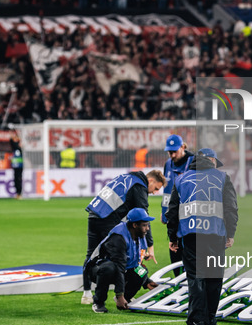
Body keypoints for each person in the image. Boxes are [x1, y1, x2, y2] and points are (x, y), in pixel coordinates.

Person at [166, 148, 238, 325]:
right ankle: (210, 320)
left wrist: (172, 237)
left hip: (190, 235)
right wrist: (230, 234)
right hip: (216, 234)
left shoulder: (181, 179)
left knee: (196, 277)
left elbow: (172, 211)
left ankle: (197, 322)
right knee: (214, 277)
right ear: (212, 160)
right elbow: (230, 209)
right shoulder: (223, 178)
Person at [80, 169, 166, 304]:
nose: (154, 192)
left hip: (94, 215)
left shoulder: (125, 177)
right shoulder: (139, 185)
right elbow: (143, 216)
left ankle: (86, 294)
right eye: (156, 188)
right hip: (108, 219)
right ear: (150, 181)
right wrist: (150, 246)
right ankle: (120, 295)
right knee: (119, 259)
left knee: (91, 255)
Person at [85, 208, 155, 313]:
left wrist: (147, 281)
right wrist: (119, 294)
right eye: (144, 225)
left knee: (142, 271)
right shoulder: (118, 237)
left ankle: (126, 298)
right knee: (109, 268)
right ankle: (98, 302)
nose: (147, 229)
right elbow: (119, 267)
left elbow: (136, 262)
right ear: (135, 225)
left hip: (120, 267)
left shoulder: (139, 235)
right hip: (97, 268)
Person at [162, 134, 194, 276]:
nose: (172, 155)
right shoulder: (168, 164)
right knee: (174, 252)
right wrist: (165, 212)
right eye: (170, 152)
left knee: (189, 253)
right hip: (174, 216)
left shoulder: (194, 162)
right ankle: (179, 286)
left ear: (183, 147)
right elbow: (167, 190)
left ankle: (190, 287)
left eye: (175, 151)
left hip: (190, 216)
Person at [9, 131, 23, 199]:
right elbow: (11, 141)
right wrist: (13, 135)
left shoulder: (21, 148)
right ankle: (17, 193)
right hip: (15, 165)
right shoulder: (15, 147)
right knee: (16, 180)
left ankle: (19, 194)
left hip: (20, 166)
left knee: (19, 179)